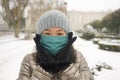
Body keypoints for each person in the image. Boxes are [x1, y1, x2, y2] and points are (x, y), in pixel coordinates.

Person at [17, 10, 94, 80]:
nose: (53, 38)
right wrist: (42, 73)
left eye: (59, 33)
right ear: (39, 37)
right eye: (47, 33)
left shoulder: (78, 58)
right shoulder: (29, 60)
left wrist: (67, 69)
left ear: (68, 37)